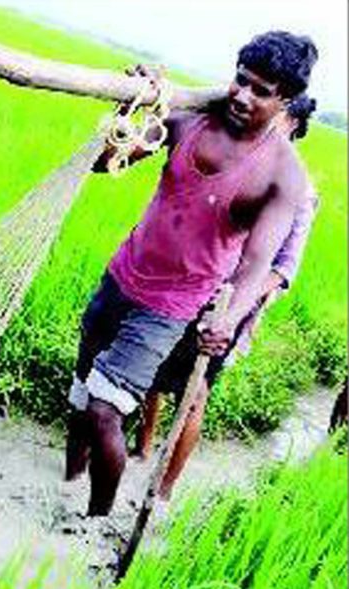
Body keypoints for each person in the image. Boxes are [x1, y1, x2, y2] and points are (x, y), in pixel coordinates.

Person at [64, 31, 318, 517]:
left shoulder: (285, 176)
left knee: (104, 410)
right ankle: (68, 487)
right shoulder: (189, 122)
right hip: (121, 276)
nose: (243, 96)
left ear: (285, 99)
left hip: (170, 307)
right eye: (240, 81)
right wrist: (133, 107)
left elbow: (257, 264)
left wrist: (229, 320)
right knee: (81, 398)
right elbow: (105, 163)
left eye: (261, 91)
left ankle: (93, 520)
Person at [133, 94, 321, 499]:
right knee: (155, 372)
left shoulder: (298, 189)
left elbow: (282, 267)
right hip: (188, 284)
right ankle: (143, 447)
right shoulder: (240, 159)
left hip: (226, 304)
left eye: (279, 114)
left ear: (291, 124)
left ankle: (162, 491)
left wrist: (233, 303)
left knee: (195, 391)